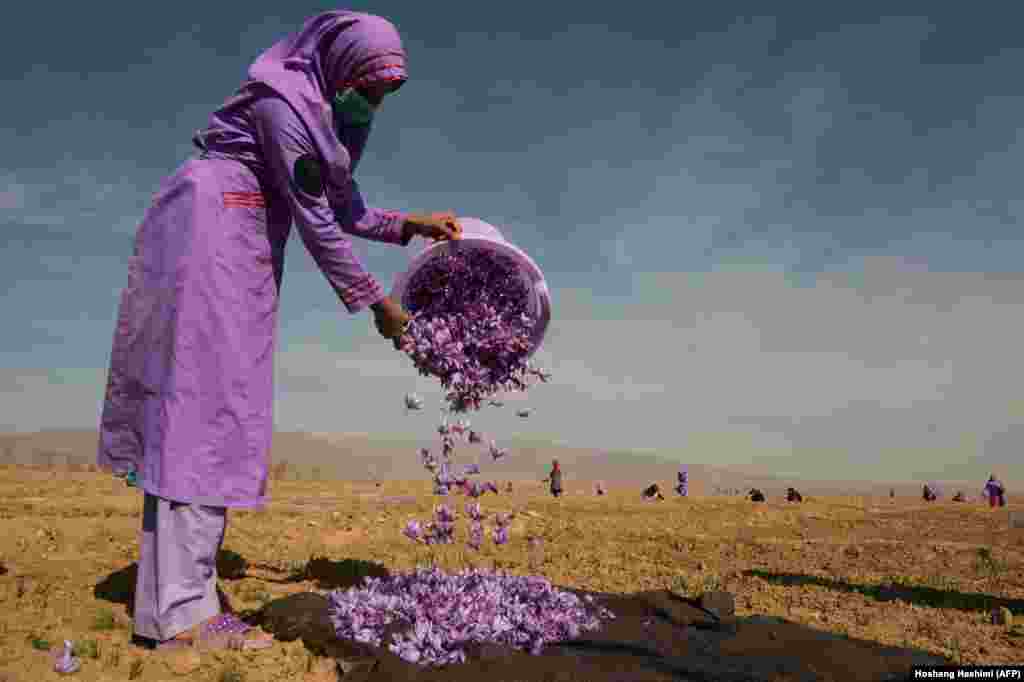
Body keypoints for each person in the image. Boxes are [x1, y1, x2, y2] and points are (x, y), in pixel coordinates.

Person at [96, 11, 460, 652]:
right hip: (218, 225)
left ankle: (184, 601)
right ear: (340, 66)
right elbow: (318, 220)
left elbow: (345, 209)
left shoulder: (327, 118)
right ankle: (181, 617)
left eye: (384, 94)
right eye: (369, 88)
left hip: (242, 231)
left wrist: (411, 225)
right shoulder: (284, 105)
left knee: (219, 407)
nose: (373, 103)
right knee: (204, 408)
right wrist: (378, 304)